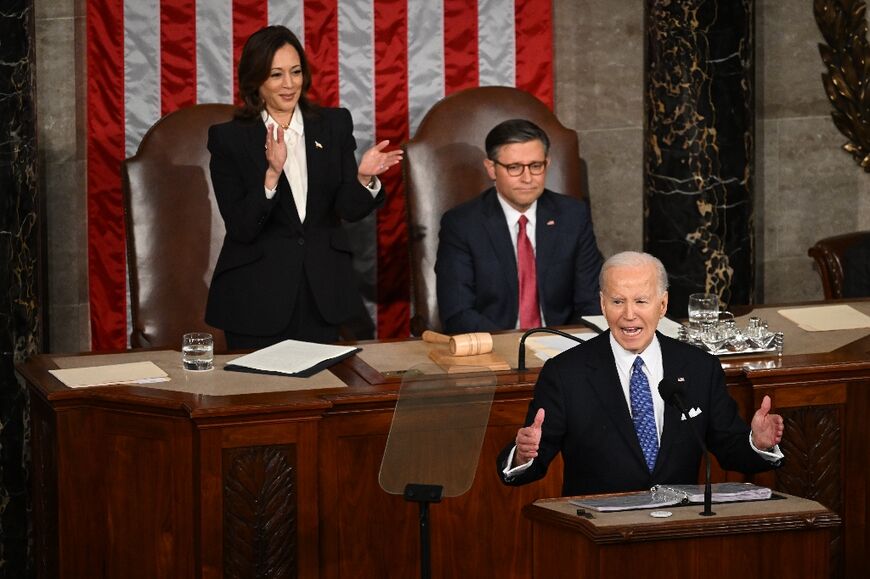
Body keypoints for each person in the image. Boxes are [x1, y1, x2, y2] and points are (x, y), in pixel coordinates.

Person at [497, 251, 784, 496]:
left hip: (678, 531)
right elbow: (530, 461)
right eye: (618, 301)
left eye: (641, 301)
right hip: (599, 533)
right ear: (602, 304)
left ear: (663, 304)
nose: (629, 314)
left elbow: (729, 447)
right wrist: (522, 454)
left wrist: (757, 443)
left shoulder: (698, 367)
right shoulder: (565, 373)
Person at [205, 26, 402, 349]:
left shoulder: (333, 124)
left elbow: (347, 211)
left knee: (318, 392)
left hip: (321, 292)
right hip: (255, 298)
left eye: (295, 72)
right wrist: (271, 174)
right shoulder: (229, 139)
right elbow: (241, 227)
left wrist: (363, 178)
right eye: (276, 75)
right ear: (256, 81)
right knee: (260, 397)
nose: (289, 84)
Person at [435, 119, 603, 334]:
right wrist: (513, 347)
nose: (527, 178)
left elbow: (590, 300)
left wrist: (570, 344)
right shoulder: (462, 224)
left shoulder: (573, 215)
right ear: (491, 169)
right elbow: (458, 313)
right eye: (514, 167)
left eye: (535, 166)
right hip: (493, 348)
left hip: (561, 347)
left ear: (547, 164)